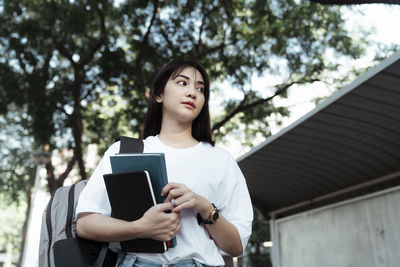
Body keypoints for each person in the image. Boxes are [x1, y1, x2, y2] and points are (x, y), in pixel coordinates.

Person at [75, 59, 253, 267]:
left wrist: (205, 208)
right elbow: (85, 225)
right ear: (159, 95)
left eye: (200, 88)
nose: (192, 93)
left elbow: (236, 246)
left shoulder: (221, 159)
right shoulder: (124, 152)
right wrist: (140, 227)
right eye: (182, 82)